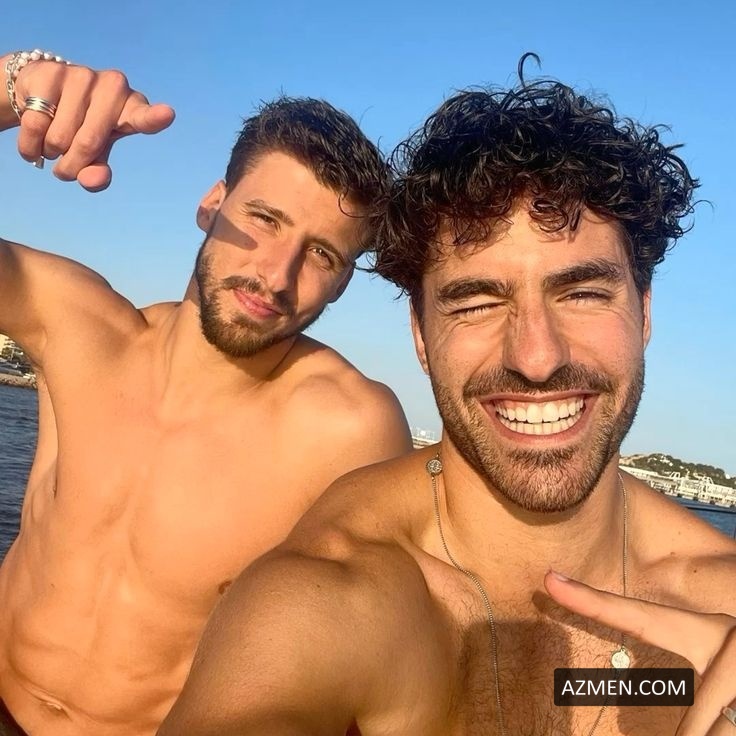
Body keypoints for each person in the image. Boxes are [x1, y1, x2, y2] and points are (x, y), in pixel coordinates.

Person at [159, 65, 736, 735]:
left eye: (581, 293)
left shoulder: (719, 598)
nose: (537, 357)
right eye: (477, 301)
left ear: (644, 312)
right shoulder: (337, 592)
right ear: (420, 336)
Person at [0, 50, 412, 736]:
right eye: (266, 219)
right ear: (211, 204)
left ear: (343, 283)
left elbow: (395, 641)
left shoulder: (345, 426)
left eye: (322, 254)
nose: (276, 276)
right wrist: (10, 85)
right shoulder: (79, 328)